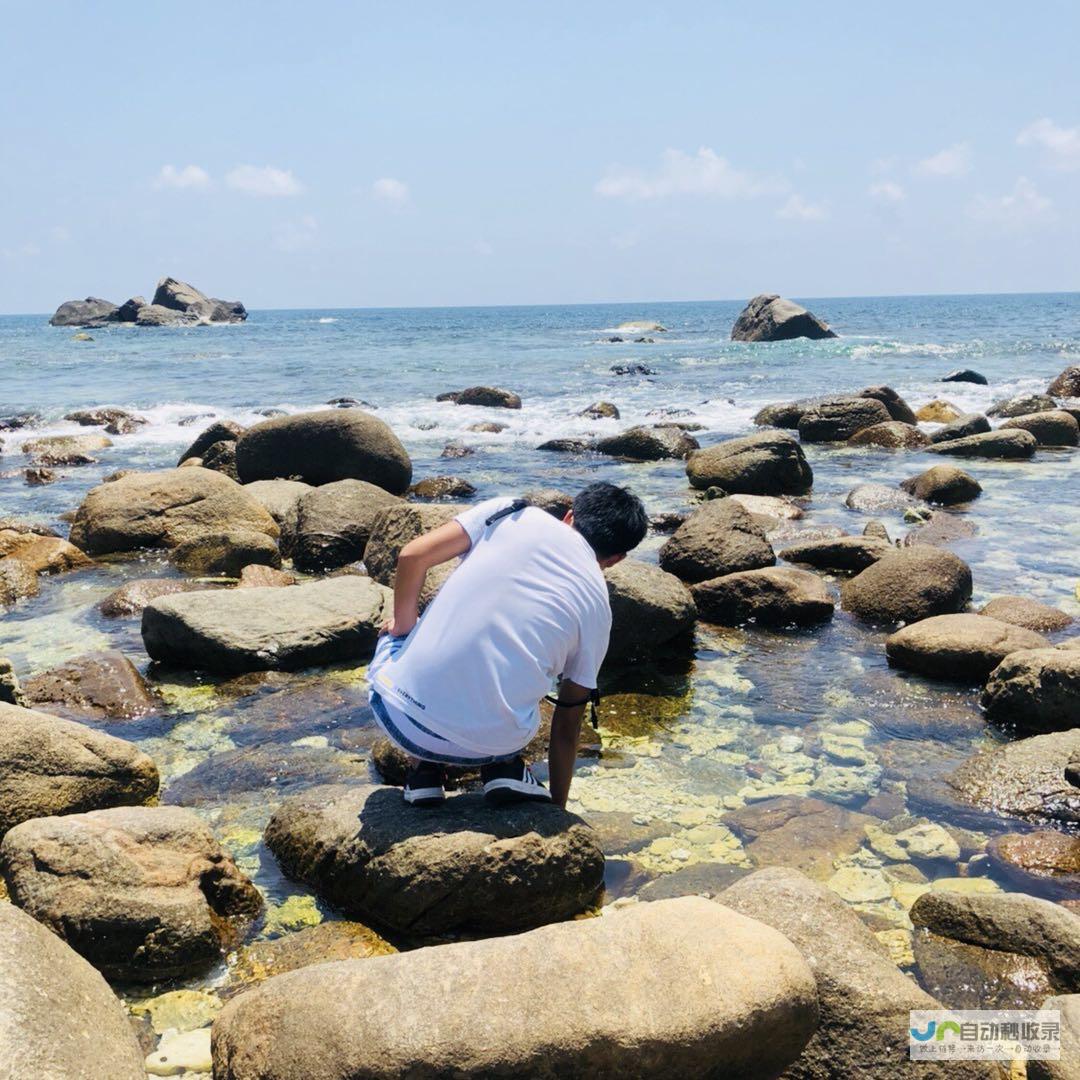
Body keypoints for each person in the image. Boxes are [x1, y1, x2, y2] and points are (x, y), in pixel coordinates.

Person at [367, 481, 648, 808]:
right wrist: (557, 808)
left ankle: (424, 775)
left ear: (569, 516)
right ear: (616, 559)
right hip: (493, 743)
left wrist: (403, 627)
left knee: (407, 631)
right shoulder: (599, 609)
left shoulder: (511, 512)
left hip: (401, 720)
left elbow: (412, 555)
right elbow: (569, 718)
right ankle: (504, 767)